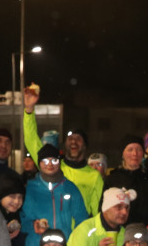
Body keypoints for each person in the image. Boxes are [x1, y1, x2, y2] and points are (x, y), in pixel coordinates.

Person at [23, 87, 104, 217]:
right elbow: (31, 140)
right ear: (65, 144)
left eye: (78, 139)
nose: (73, 141)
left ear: (85, 146)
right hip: (52, 230)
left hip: (79, 233)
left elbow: (97, 212)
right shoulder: (52, 166)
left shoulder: (94, 177)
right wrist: (29, 110)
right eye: (70, 139)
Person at [19, 144, 88, 246]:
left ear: (59, 162)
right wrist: (32, 225)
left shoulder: (70, 187)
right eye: (45, 160)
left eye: (54, 160)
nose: (50, 164)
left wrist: (75, 243)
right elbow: (21, 218)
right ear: (39, 163)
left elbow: (82, 219)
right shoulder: (29, 187)